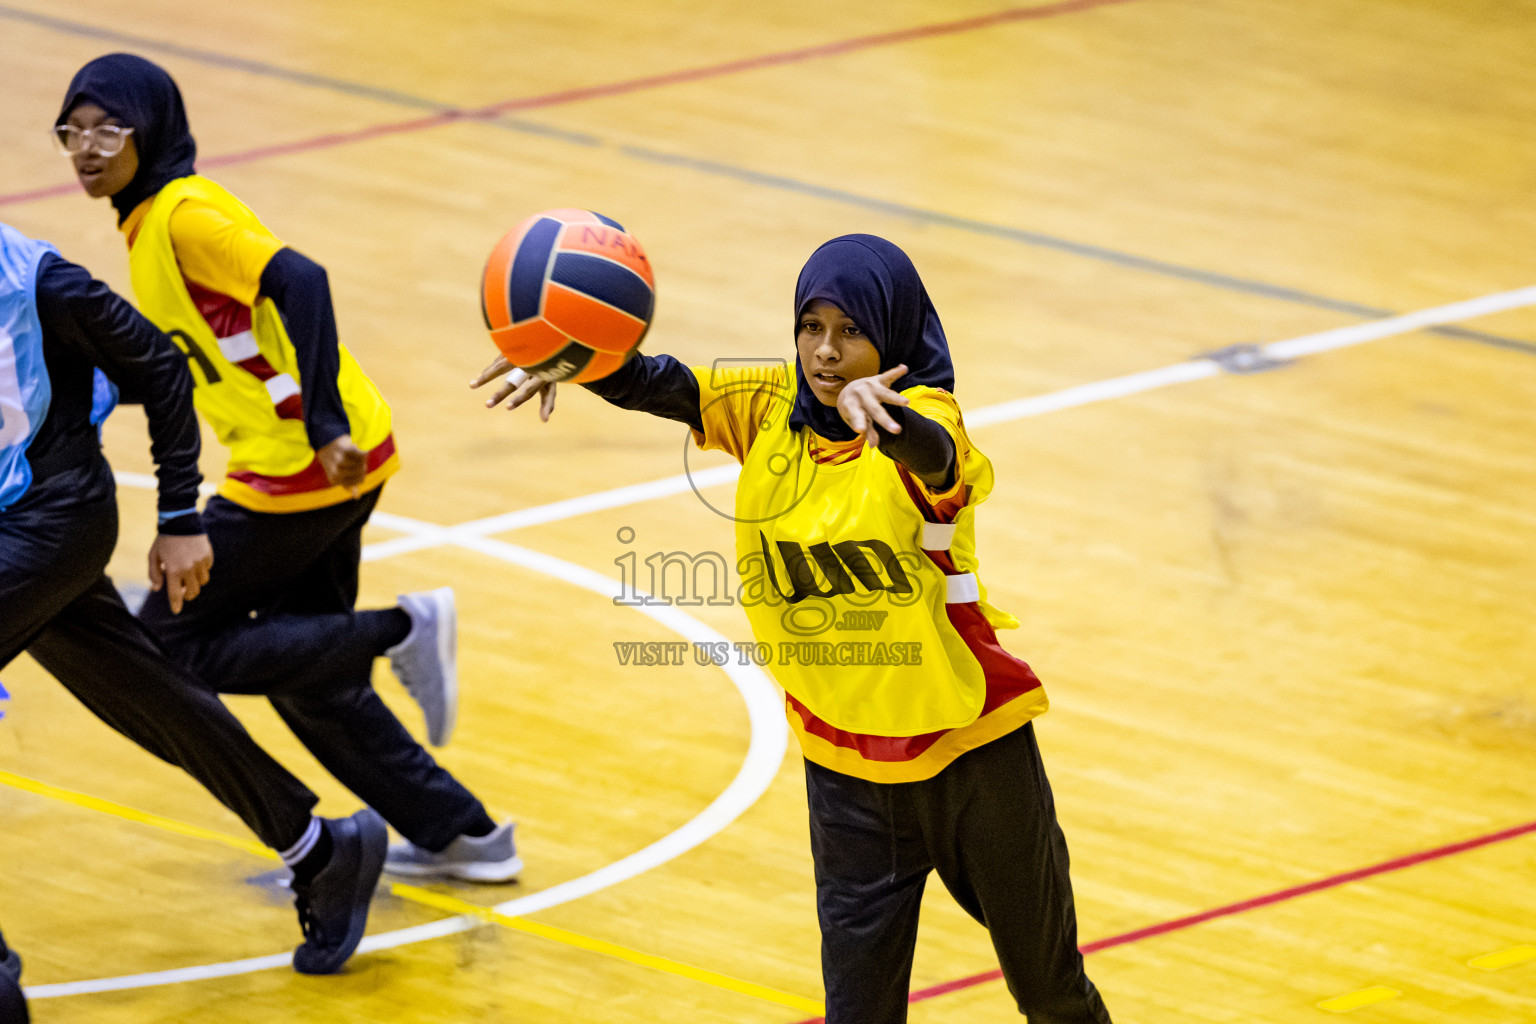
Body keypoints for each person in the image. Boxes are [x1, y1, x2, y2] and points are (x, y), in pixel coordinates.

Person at [478, 235, 1113, 1022]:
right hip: (844, 768)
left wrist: (886, 422)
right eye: (811, 326)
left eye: (851, 331)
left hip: (971, 757)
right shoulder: (769, 405)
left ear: (891, 332)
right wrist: (578, 359)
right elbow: (661, 382)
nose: (826, 351)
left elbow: (941, 457)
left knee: (1052, 997)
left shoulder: (928, 418)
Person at [56, 53, 519, 882]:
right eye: (73, 132)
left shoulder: (184, 214)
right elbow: (200, 357)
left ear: (149, 131)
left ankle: (403, 629)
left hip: (305, 468)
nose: (89, 148)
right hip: (321, 462)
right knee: (310, 670)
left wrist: (324, 423)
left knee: (163, 644)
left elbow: (301, 280)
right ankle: (464, 834)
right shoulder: (148, 226)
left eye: (108, 130)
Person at [0, 219, 383, 974]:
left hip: (54, 519)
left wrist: (180, 515)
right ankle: (320, 850)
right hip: (15, 524)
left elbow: (164, 370)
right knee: (147, 693)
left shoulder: (45, 285)